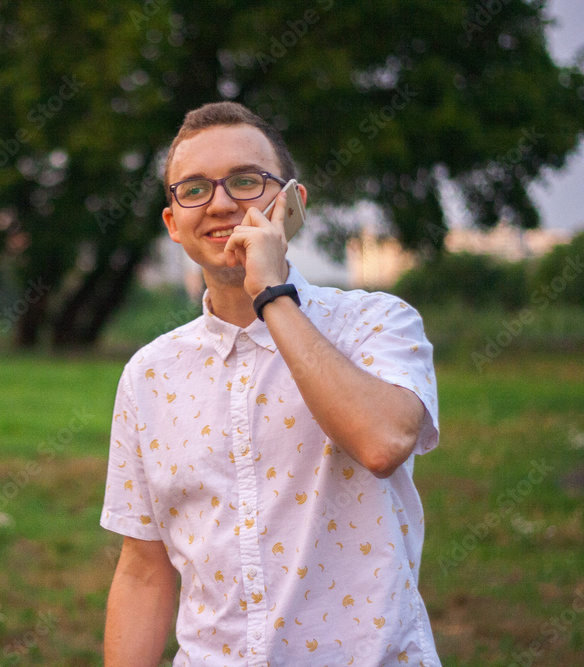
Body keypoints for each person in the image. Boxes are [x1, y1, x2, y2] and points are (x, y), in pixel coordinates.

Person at [100, 102, 441, 666]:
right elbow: (143, 570)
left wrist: (270, 295)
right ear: (173, 224)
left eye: (245, 181)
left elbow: (382, 443)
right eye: (194, 190)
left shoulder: (377, 322)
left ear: (292, 203)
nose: (220, 204)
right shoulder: (148, 374)